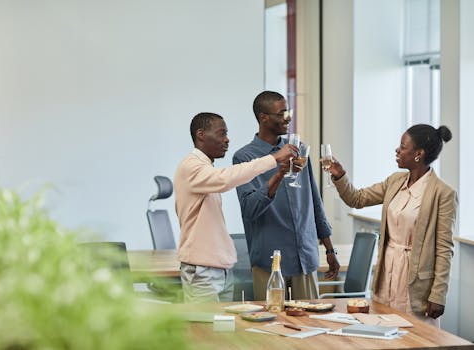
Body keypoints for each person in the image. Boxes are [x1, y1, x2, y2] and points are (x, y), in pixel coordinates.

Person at [327, 124, 457, 326]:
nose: (397, 150)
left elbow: (444, 248)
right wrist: (339, 176)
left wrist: (438, 295)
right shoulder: (395, 181)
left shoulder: (443, 193)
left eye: (403, 146)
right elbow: (357, 199)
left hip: (416, 283)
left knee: (415, 338)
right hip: (386, 274)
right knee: (381, 331)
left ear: (418, 154)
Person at [174, 112, 297, 303]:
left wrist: (279, 173)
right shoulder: (191, 166)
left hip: (218, 270)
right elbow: (227, 179)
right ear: (201, 134)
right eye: (221, 133)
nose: (227, 139)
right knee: (205, 332)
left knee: (222, 332)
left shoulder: (204, 168)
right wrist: (274, 158)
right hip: (202, 272)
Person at [233, 91, 339, 301]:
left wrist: (329, 249)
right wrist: (279, 173)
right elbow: (250, 209)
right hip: (269, 262)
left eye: (288, 111)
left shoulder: (299, 150)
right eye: (282, 113)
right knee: (269, 328)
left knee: (310, 325)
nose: (288, 117)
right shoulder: (245, 158)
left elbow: (314, 202)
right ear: (263, 117)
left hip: (305, 258)